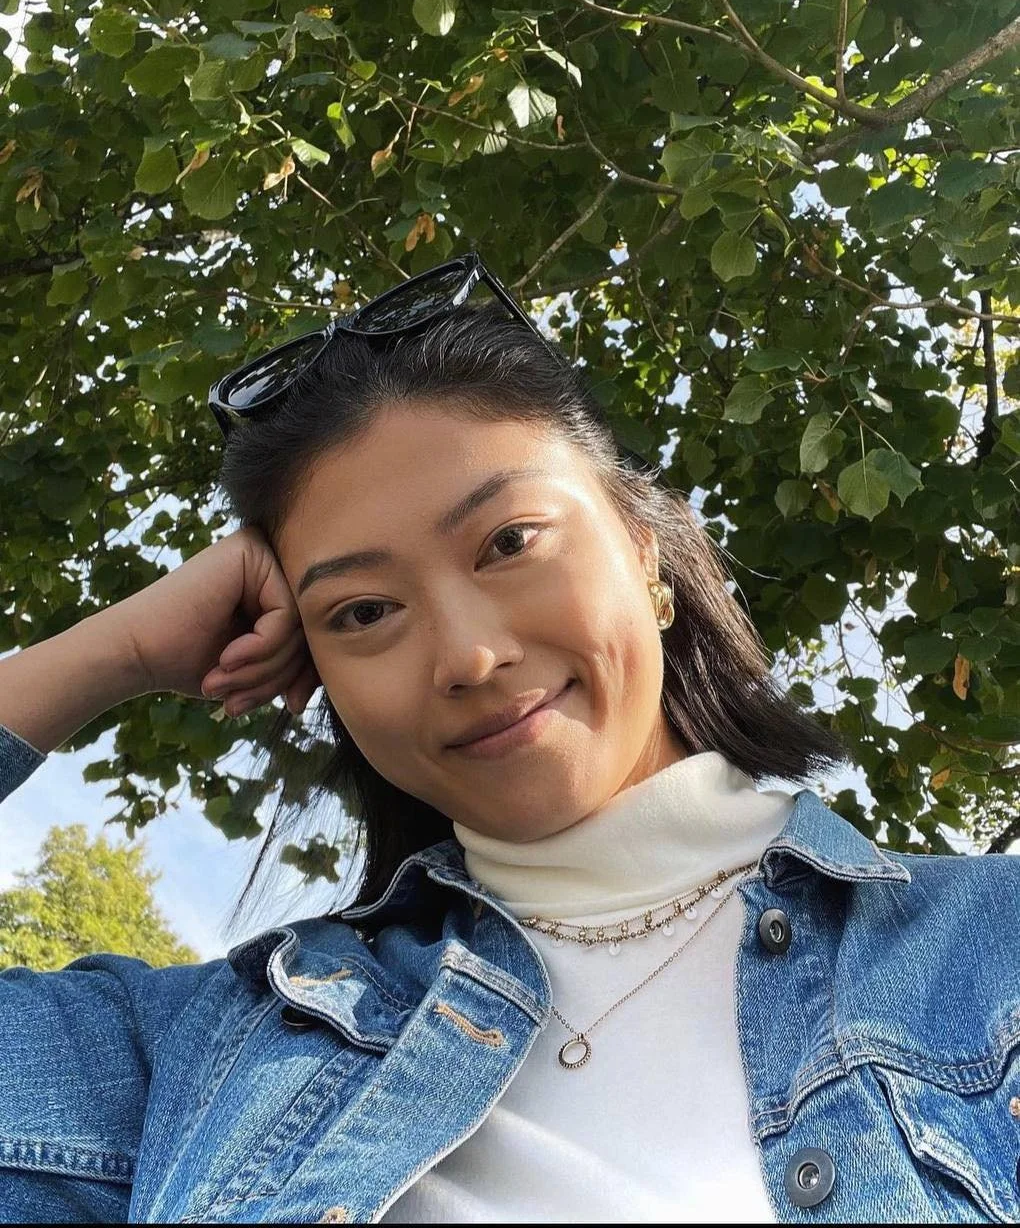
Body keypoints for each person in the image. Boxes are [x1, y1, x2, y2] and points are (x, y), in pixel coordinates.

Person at [1, 252, 1018, 1225]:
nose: (469, 654)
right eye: (361, 612)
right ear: (322, 680)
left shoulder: (987, 959)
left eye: (509, 542)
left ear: (644, 553)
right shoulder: (204, 1055)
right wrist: (110, 652)